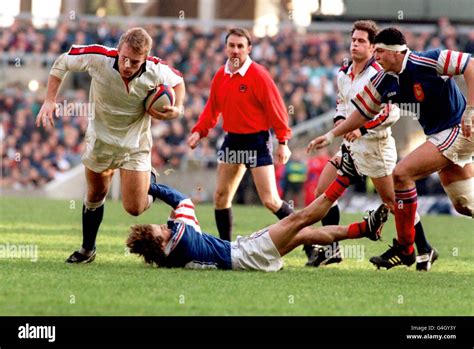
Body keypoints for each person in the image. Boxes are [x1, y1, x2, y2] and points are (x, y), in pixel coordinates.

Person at [308, 27, 474, 270]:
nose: (376, 57)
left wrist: (470, 110)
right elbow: (362, 113)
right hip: (440, 136)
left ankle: (405, 248)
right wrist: (332, 134)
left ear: (396, 52)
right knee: (464, 204)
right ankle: (420, 249)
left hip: (459, 129)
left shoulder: (428, 60)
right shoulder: (384, 80)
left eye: (379, 51)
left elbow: (470, 64)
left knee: (402, 174)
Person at [35, 27, 186, 263]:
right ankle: (87, 250)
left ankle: (150, 180)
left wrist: (178, 108)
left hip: (135, 144)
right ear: (119, 50)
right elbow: (61, 62)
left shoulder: (156, 69)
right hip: (100, 140)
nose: (127, 65)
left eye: (134, 62)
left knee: (134, 208)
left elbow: (178, 82)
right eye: (124, 58)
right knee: (96, 194)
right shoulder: (99, 58)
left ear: (145, 59)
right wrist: (50, 100)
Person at [127, 178, 389, 271]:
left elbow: (174, 218)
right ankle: (344, 177)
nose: (165, 226)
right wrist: (150, 186)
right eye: (160, 230)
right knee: (299, 219)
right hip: (246, 254)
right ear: (161, 243)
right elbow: (182, 202)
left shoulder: (168, 255)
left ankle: (366, 229)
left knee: (302, 235)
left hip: (244, 258)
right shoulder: (182, 238)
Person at [186, 28, 294, 243]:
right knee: (221, 197)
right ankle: (226, 248)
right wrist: (199, 131)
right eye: (232, 46)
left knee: (271, 201)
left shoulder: (259, 75)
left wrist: (283, 142)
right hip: (233, 141)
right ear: (226, 48)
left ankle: (310, 241)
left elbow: (277, 109)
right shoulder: (221, 75)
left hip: (256, 142)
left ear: (249, 49)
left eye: (240, 46)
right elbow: (212, 108)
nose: (235, 50)